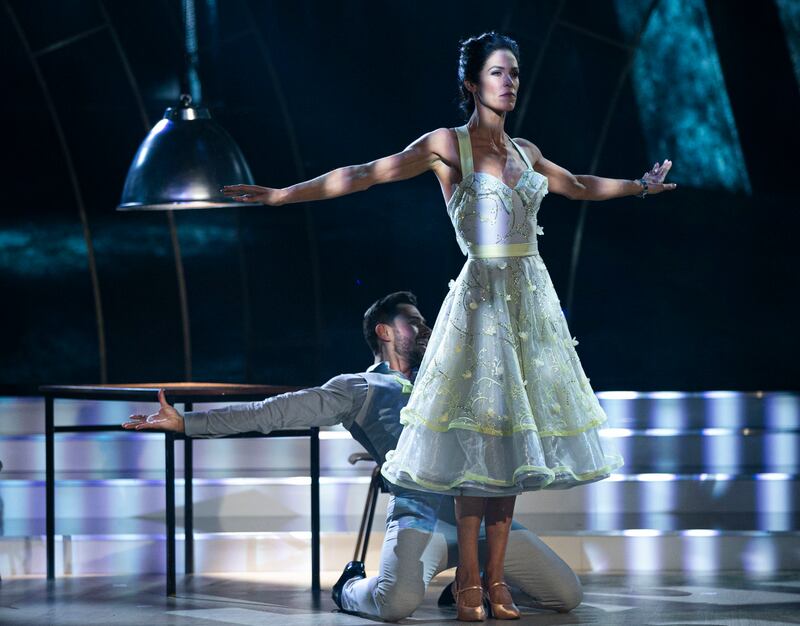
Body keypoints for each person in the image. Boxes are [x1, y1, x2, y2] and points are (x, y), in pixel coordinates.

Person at [222, 32, 675, 621]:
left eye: (514, 72)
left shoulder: (527, 151)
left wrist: (640, 187)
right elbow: (365, 173)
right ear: (471, 83)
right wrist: (284, 195)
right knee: (477, 440)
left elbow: (580, 185)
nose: (509, 81)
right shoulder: (447, 145)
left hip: (529, 307)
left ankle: (496, 582)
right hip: (482, 303)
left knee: (512, 443)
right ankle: (467, 585)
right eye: (497, 72)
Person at [122, 291, 583, 621]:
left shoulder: (447, 379)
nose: (424, 328)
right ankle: (348, 589)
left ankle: (473, 579)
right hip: (420, 514)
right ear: (384, 331)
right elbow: (275, 412)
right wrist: (188, 422)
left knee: (566, 595)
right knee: (396, 606)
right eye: (413, 321)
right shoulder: (358, 387)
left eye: (424, 322)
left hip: (481, 518)